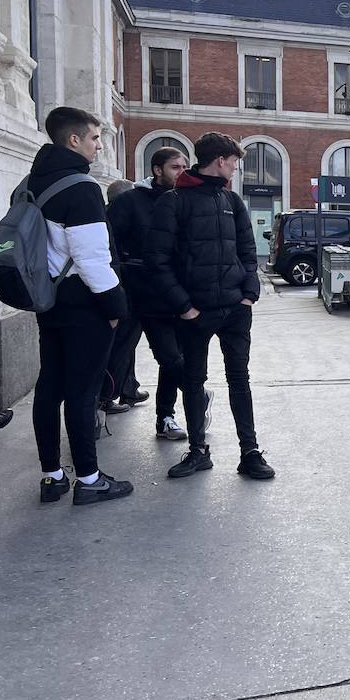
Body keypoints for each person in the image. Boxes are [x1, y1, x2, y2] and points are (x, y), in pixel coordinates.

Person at [146, 132, 274, 480]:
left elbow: (249, 253)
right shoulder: (174, 202)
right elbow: (157, 260)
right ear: (220, 160)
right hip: (195, 311)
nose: (235, 166)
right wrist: (184, 306)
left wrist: (249, 293)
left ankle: (250, 452)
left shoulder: (232, 201)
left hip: (235, 308)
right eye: (233, 161)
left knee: (239, 380)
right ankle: (198, 451)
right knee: (193, 379)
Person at [27, 107, 134, 504]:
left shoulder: (30, 182)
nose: (98, 145)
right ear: (73, 140)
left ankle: (52, 477)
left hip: (47, 298)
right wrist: (114, 307)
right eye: (94, 138)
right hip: (83, 301)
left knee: (49, 386)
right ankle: (89, 480)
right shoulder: (82, 188)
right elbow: (91, 259)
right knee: (83, 390)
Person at [107, 148, 192, 441]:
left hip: (166, 295)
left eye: (184, 166)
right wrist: (115, 287)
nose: (181, 172)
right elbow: (109, 246)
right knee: (115, 355)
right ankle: (99, 403)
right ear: (157, 170)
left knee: (171, 359)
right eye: (175, 167)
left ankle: (166, 417)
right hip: (131, 294)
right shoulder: (129, 201)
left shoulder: (182, 202)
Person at [98, 178, 149, 416]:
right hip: (124, 289)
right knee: (121, 344)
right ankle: (107, 396)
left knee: (126, 344)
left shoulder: (109, 215)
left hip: (126, 287)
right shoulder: (118, 219)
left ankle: (128, 388)